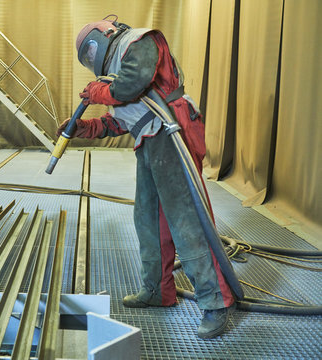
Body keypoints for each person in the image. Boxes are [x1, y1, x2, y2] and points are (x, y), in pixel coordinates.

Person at [57, 16, 236, 339]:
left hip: (172, 133)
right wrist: (87, 127)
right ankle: (157, 290)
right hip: (150, 141)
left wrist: (99, 91)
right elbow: (120, 122)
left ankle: (214, 302)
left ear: (104, 36)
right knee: (148, 220)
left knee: (185, 222)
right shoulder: (113, 77)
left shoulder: (138, 42)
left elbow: (130, 84)